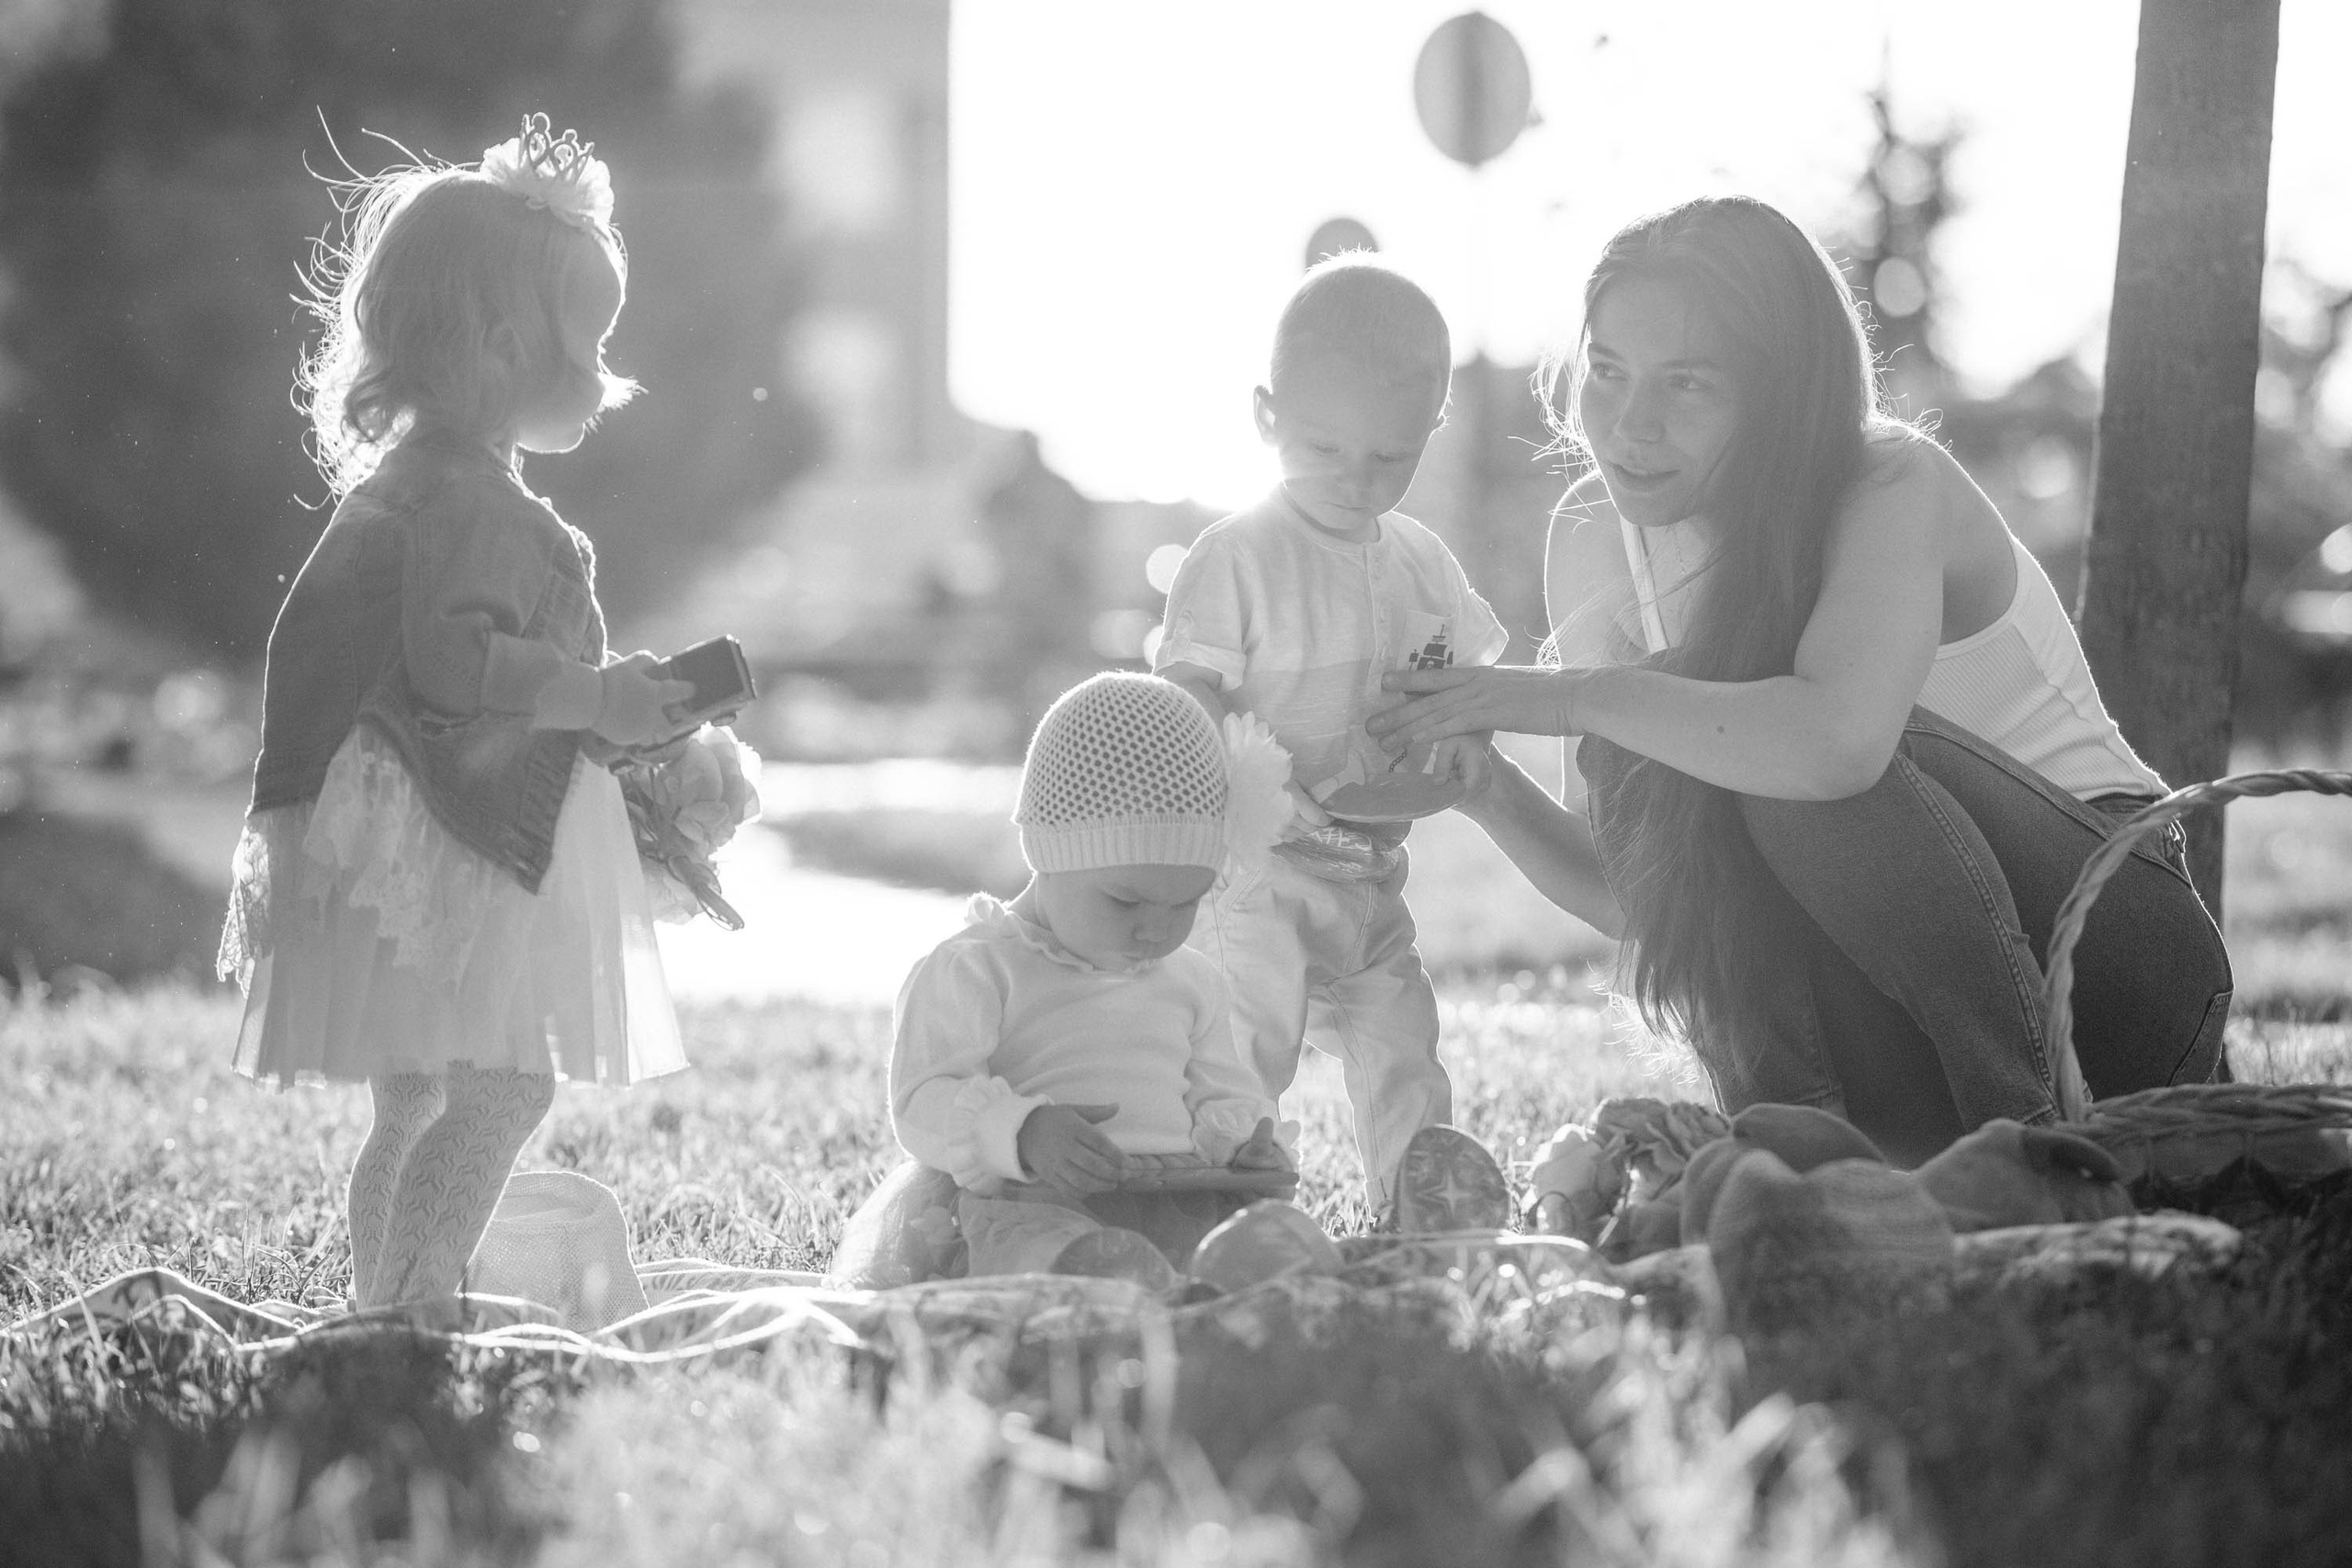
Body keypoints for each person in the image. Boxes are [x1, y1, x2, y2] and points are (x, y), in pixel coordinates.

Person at [1368, 196, 2232, 1167]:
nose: (1628, 424)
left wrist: (1566, 695)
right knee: (1658, 752)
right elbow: (1635, 894)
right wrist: (1487, 787)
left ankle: (2036, 1155)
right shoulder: (1594, 533)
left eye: (1686, 384)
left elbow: (1834, 749)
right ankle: (1811, 1155)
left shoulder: (1890, 484)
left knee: (1765, 744)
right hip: (1915, 1009)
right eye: (1606, 371)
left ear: (1781, 393)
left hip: (2114, 964)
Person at [216, 115, 695, 1317]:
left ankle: (385, 1293)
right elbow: (458, 660)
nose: (609, 375)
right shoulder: (475, 502)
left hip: (366, 825)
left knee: (415, 1094)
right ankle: (419, 1298)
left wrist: (602, 720)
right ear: (496, 347)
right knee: (502, 1088)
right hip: (441, 829)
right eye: (590, 345)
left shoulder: (410, 483)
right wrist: (601, 696)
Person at [1154, 254, 1510, 1212]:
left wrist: (1465, 742)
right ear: (1266, 419)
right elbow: (1186, 687)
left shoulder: (1423, 565)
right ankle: (1221, 1194)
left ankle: (1417, 1198)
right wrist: (1258, 774)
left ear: (1430, 430)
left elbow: (1469, 682)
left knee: (1400, 1031)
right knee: (1249, 1032)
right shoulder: (1238, 556)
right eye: (1324, 450)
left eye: (1390, 459)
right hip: (1259, 866)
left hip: (1367, 866)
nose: (1357, 482)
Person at [888, 671, 1300, 1279]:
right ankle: (1107, 1284)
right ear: (1048, 855)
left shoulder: (1191, 982)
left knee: (1277, 1248)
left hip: (1175, 1200)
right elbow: (921, 1098)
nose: (1156, 931)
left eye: (1185, 902)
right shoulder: (978, 967)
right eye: (1126, 903)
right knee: (1049, 1257)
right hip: (1030, 1203)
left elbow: (1221, 1089)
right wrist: (1019, 1131)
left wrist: (1246, 1144)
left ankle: (1200, 1284)